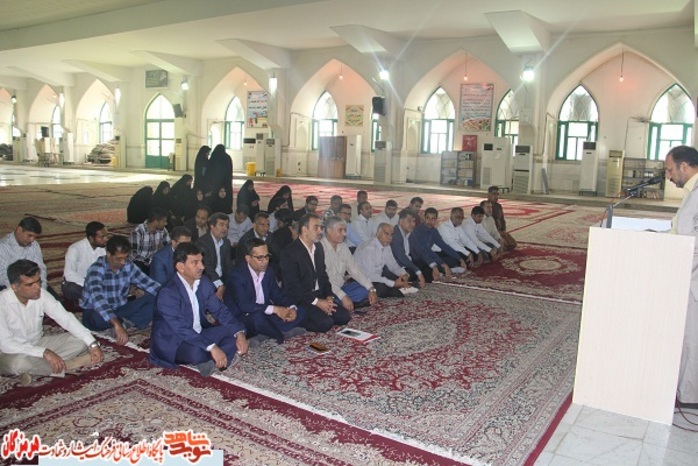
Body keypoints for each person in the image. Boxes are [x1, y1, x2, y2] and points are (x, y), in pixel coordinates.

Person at [150, 242, 247, 377]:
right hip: (174, 341)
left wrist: (239, 334)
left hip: (199, 333)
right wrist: (212, 346)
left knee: (233, 333)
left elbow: (219, 310)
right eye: (195, 262)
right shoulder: (168, 292)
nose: (201, 266)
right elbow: (180, 328)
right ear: (180, 267)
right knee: (196, 352)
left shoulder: (204, 282)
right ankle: (214, 357)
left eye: (201, 261)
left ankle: (211, 361)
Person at [0, 260, 104, 386]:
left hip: (36, 343)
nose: (37, 287)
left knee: (80, 340)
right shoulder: (2, 303)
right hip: (8, 352)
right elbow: (6, 344)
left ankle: (36, 369)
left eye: (38, 281)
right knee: (19, 364)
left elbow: (65, 318)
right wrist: (44, 352)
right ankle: (67, 365)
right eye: (30, 284)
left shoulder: (41, 294)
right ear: (14, 287)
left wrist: (92, 344)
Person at [81, 235, 161, 346]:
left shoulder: (128, 266)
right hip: (97, 312)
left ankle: (125, 323)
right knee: (95, 318)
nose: (123, 262)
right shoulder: (96, 270)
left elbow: (149, 284)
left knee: (157, 299)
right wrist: (116, 324)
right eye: (119, 259)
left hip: (120, 308)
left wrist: (173, 299)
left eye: (125, 258)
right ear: (108, 254)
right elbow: (98, 300)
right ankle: (123, 322)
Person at [665, 145, 698, 408]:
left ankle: (690, 396)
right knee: (687, 335)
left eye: (670, 170)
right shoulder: (692, 192)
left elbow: (691, 240)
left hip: (693, 276)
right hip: (687, 272)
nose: (668, 176)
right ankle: (685, 391)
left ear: (684, 166)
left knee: (692, 338)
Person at [224, 238, 306, 344]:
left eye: (267, 256)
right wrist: (276, 309)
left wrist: (290, 308)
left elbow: (277, 295)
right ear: (248, 258)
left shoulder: (269, 272)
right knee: (258, 318)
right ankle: (279, 334)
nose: (265, 261)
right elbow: (244, 305)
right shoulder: (236, 276)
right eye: (260, 258)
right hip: (244, 316)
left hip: (265, 312)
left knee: (301, 310)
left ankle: (266, 333)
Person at [279, 213, 351, 333]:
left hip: (318, 294)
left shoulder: (318, 248)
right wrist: (317, 302)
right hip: (300, 298)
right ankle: (297, 319)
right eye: (316, 227)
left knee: (344, 317)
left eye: (321, 228)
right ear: (304, 230)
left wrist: (329, 297)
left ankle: (318, 312)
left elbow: (323, 275)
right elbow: (293, 286)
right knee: (325, 323)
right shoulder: (290, 252)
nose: (320, 231)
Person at [320, 216, 377, 310]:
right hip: (327, 291)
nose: (344, 233)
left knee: (364, 290)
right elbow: (325, 281)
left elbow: (354, 270)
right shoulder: (320, 249)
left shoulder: (343, 247)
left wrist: (371, 288)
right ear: (329, 231)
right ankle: (339, 304)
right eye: (340, 230)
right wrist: (343, 296)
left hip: (341, 288)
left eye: (345, 230)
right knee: (331, 299)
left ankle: (340, 305)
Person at [355, 223, 415, 298]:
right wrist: (393, 283)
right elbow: (370, 275)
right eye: (386, 234)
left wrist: (403, 274)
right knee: (382, 288)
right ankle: (394, 288)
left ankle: (397, 287)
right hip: (363, 280)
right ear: (378, 233)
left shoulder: (386, 246)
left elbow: (393, 265)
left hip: (377, 277)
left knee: (407, 275)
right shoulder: (368, 248)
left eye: (391, 235)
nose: (389, 238)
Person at [410, 207, 466, 282]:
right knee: (428, 274)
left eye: (433, 219)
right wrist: (443, 264)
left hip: (429, 257)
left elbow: (444, 246)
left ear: (436, 219)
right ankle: (444, 270)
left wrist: (460, 259)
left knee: (453, 259)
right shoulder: (418, 231)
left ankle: (443, 270)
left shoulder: (433, 231)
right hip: (417, 260)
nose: (430, 221)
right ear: (424, 218)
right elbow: (425, 251)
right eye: (428, 218)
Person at [62, 221, 109, 302]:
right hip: (80, 283)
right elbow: (69, 274)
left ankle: (93, 299)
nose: (106, 239)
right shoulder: (75, 249)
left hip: (97, 282)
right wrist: (90, 284)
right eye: (102, 237)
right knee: (70, 288)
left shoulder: (103, 249)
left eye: (106, 236)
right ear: (91, 238)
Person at [0, 217, 49, 292]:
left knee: (54, 298)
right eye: (29, 235)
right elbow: (2, 275)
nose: (32, 240)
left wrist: (42, 288)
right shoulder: (2, 246)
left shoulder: (34, 245)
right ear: (19, 230)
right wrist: (23, 289)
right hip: (10, 287)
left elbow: (40, 268)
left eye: (35, 237)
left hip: (34, 284)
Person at [197, 212, 232, 300]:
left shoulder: (226, 242)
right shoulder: (202, 243)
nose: (225, 228)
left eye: (227, 226)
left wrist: (231, 281)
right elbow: (207, 267)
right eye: (221, 225)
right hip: (207, 279)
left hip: (222, 278)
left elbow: (228, 266)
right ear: (212, 226)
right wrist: (219, 284)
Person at [390, 209, 426, 288]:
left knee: (425, 266)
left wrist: (433, 265)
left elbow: (419, 250)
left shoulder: (410, 232)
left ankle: (412, 282)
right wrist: (418, 271)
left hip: (407, 263)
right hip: (396, 266)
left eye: (413, 221)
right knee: (414, 272)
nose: (412, 224)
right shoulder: (395, 234)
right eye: (409, 221)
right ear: (400, 221)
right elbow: (401, 257)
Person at [130, 207, 170, 274]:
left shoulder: (163, 230)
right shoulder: (138, 231)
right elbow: (133, 254)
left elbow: (168, 246)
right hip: (140, 261)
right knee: (137, 267)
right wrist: (149, 261)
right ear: (156, 222)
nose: (166, 223)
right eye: (164, 221)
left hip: (153, 261)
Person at [487, 185, 517, 251]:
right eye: (494, 194)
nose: (496, 197)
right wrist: (498, 233)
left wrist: (503, 231)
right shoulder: (485, 206)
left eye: (497, 194)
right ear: (489, 194)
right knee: (503, 244)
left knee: (513, 244)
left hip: (500, 231)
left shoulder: (498, 206)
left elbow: (502, 220)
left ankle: (500, 246)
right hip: (491, 233)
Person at [206, 144, 233, 210]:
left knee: (215, 199)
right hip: (226, 182)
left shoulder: (214, 157)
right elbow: (229, 171)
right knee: (225, 198)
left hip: (215, 184)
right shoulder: (227, 157)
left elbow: (209, 171)